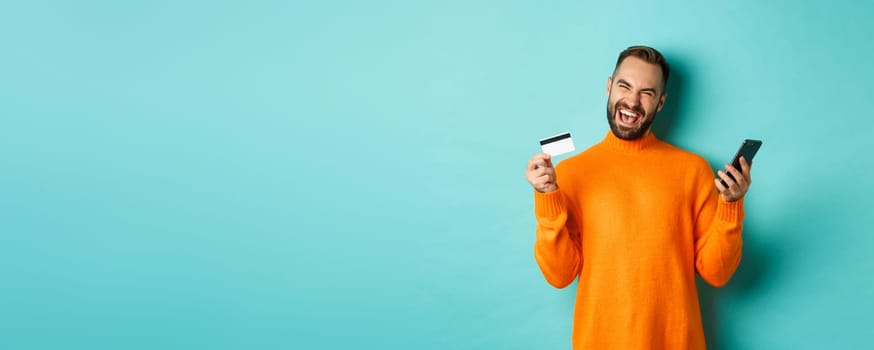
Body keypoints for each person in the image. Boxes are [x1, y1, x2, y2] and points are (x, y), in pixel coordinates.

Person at [524, 46, 752, 349]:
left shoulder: (693, 170)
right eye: (624, 86)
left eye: (647, 93)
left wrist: (731, 206)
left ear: (660, 102)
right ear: (608, 86)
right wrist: (546, 196)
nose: (632, 101)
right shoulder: (570, 173)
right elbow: (559, 275)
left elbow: (717, 273)